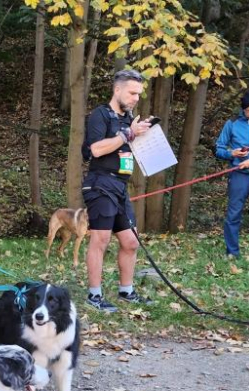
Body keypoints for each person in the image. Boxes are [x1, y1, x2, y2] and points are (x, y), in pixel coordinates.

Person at [82, 69, 154, 313]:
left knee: (131, 241)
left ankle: (126, 290)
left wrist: (141, 134)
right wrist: (129, 134)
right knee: (100, 239)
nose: (136, 98)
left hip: (120, 187)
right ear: (117, 89)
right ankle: (94, 295)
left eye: (139, 94)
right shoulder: (100, 115)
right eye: (132, 93)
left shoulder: (129, 120)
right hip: (100, 183)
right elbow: (96, 150)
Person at [215, 89, 249, 260]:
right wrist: (233, 153)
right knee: (234, 213)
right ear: (243, 109)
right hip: (240, 174)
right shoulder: (232, 123)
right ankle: (232, 252)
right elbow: (219, 149)